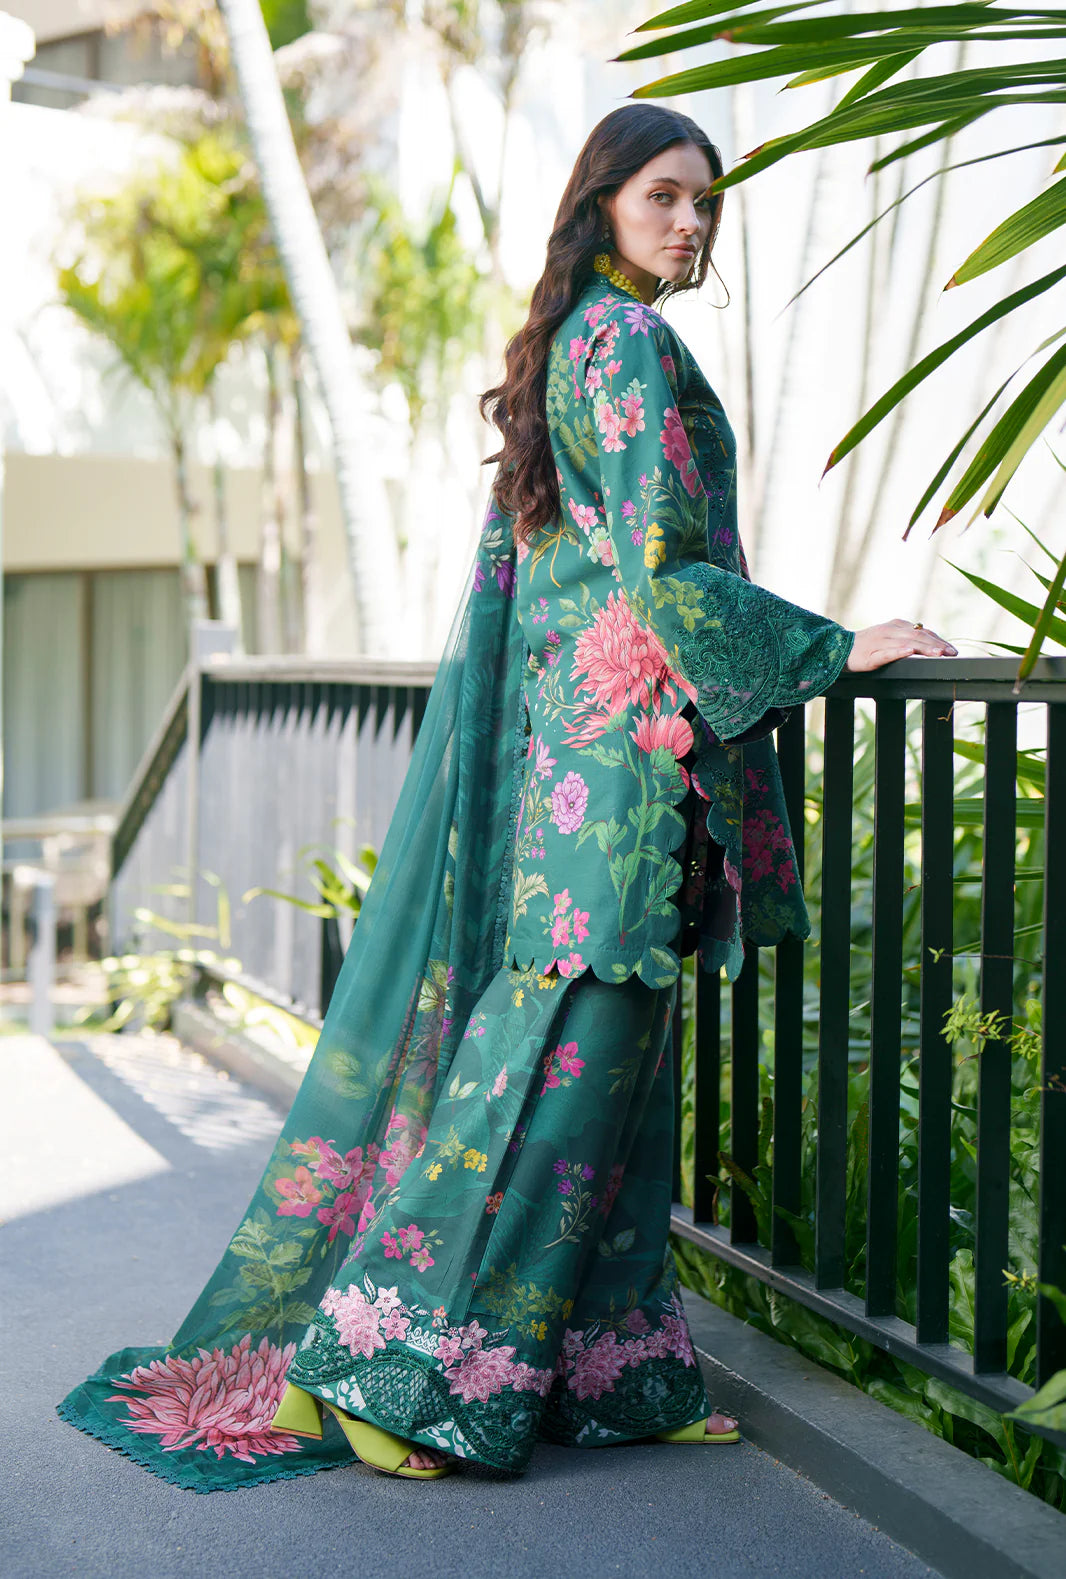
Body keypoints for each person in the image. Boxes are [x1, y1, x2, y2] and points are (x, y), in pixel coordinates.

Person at [57, 104, 956, 1490]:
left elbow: (575, 578)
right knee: (551, 1087)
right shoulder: (625, 342)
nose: (689, 223)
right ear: (603, 202)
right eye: (663, 196)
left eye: (703, 202)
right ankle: (374, 1369)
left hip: (595, 769)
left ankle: (607, 1372)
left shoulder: (575, 341)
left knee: (605, 1095)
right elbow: (662, 569)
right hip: (628, 787)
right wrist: (837, 647)